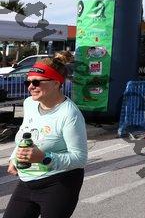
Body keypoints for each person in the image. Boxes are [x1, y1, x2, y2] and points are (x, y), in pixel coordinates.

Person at [5, 53, 87, 218]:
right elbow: (26, 134)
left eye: (36, 82)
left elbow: (80, 158)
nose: (30, 87)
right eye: (28, 82)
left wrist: (44, 158)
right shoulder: (30, 103)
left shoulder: (69, 114)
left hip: (59, 182)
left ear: (56, 83)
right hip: (27, 180)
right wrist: (14, 157)